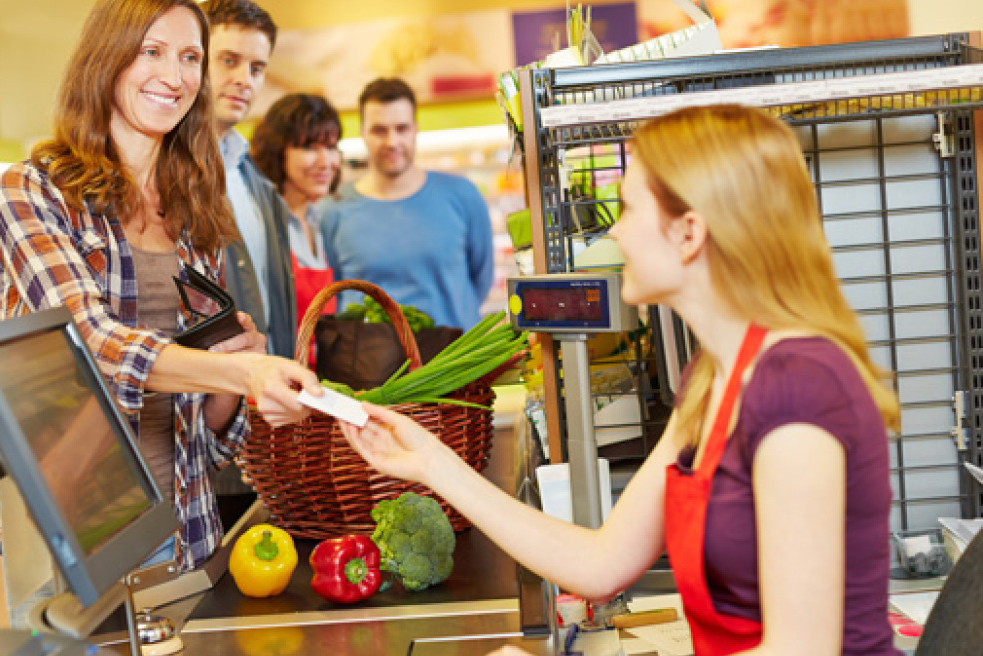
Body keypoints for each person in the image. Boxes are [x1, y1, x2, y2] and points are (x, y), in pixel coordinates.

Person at [340, 105, 902, 655]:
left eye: (630, 209)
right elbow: (601, 563)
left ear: (689, 233)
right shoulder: (712, 380)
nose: (617, 232)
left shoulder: (800, 389)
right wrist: (431, 463)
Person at [0, 0, 320, 572]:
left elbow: (206, 435)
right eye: (152, 51)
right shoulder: (33, 192)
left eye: (190, 57)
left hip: (186, 527)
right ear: (107, 58)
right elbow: (90, 343)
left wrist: (230, 365)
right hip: (76, 532)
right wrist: (242, 373)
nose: (174, 76)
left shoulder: (194, 209)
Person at [320, 77, 493, 330]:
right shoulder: (333, 209)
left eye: (401, 128)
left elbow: (482, 278)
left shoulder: (463, 195)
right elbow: (331, 294)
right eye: (379, 130)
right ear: (363, 133)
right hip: (368, 354)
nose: (392, 142)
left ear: (415, 130)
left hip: (456, 352)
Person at [203, 0, 296, 358]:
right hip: (206, 384)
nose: (244, 79)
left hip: (266, 379)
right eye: (229, 60)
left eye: (256, 68)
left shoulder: (253, 179)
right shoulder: (163, 173)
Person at [249, 93, 342, 326]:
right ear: (278, 150)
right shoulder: (260, 222)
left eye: (331, 147)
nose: (325, 162)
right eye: (309, 147)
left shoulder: (316, 219)